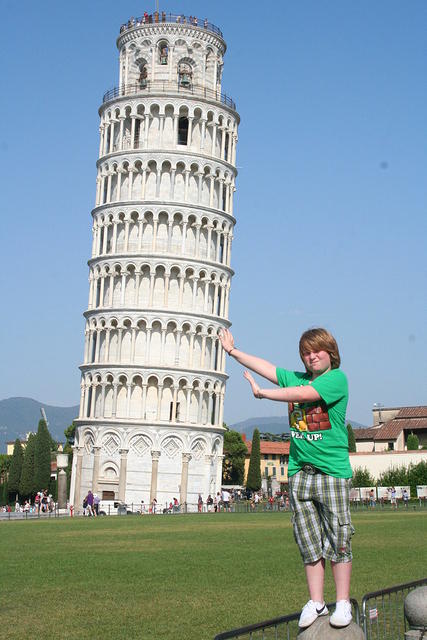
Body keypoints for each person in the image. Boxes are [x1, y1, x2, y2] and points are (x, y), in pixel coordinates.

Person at [220, 327, 354, 629]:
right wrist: (233, 352)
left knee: (339, 541)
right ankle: (317, 600)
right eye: (306, 352)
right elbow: (268, 368)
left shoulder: (336, 379)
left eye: (317, 350)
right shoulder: (296, 377)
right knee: (308, 542)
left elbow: (304, 395)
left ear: (330, 353)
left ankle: (342, 602)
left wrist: (264, 394)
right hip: (299, 474)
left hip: (331, 473)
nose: (311, 356)